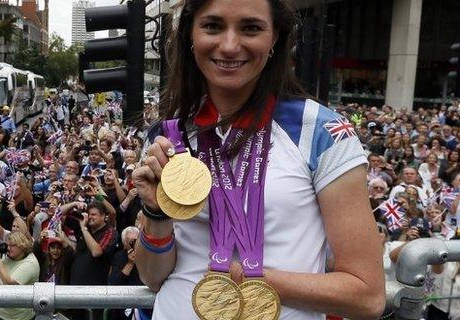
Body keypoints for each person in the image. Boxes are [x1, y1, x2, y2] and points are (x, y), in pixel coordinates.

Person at [133, 1, 385, 319]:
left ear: (275, 37)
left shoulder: (321, 131)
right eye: (212, 26)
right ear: (191, 35)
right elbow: (152, 278)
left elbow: (367, 295)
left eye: (250, 28)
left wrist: (239, 278)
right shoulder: (167, 135)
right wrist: (156, 212)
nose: (229, 45)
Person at [0, 231, 40, 320]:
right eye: (8, 245)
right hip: (0, 313)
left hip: (18, 317)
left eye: (12, 245)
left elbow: (9, 284)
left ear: (22, 246)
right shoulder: (10, 255)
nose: (8, 248)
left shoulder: (30, 263)